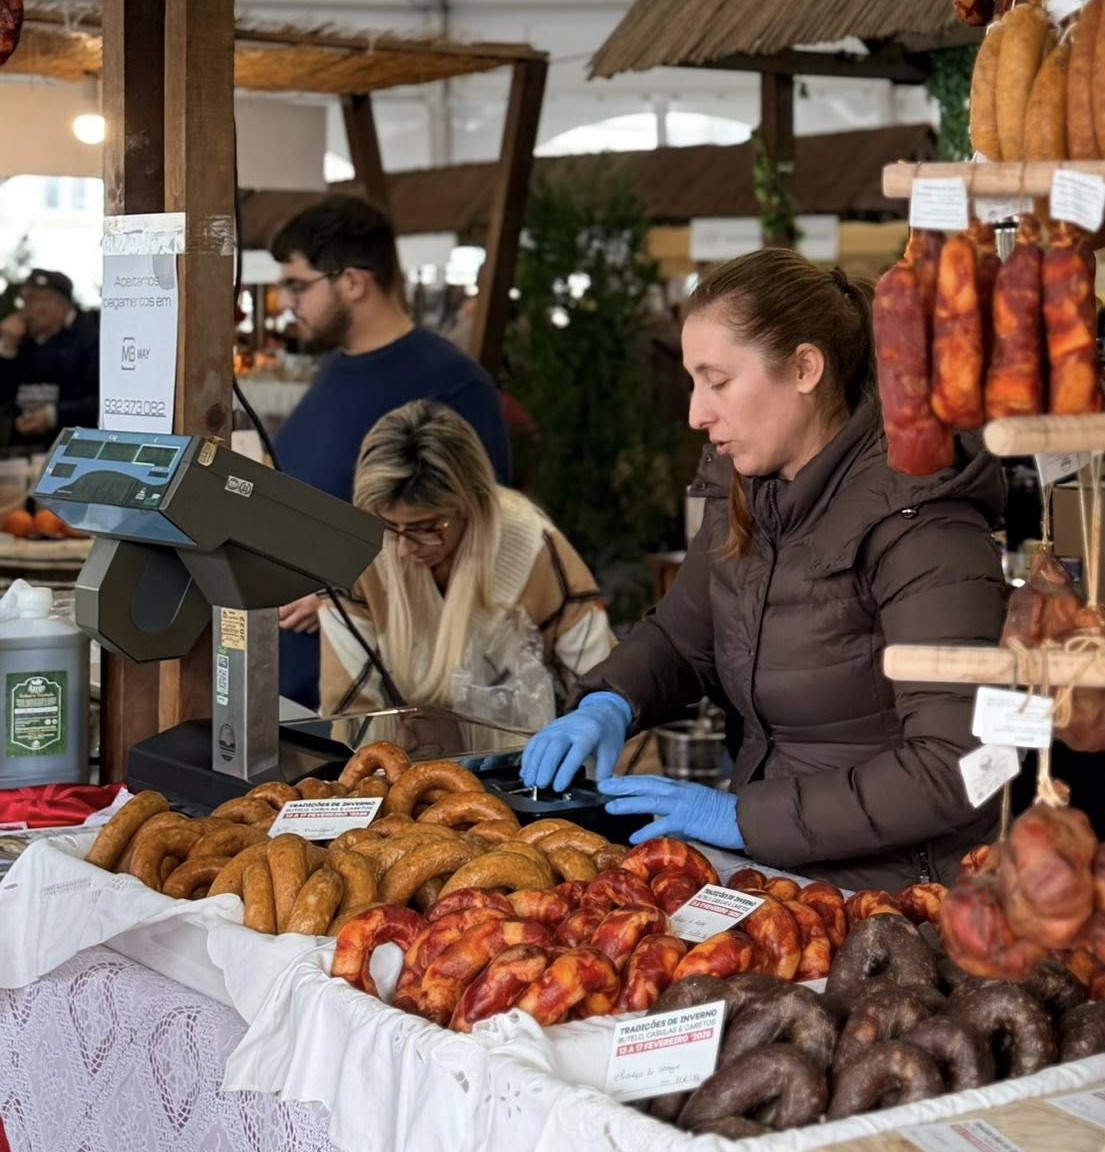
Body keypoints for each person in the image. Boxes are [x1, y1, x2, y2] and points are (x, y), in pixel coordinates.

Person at [520, 247, 1009, 892]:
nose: (697, 413)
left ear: (805, 368)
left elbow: (960, 767)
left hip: (903, 899)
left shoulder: (923, 525)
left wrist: (744, 816)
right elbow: (682, 636)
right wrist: (611, 699)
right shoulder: (750, 494)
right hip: (777, 876)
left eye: (717, 381)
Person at [268, 195, 512, 709]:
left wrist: (354, 592)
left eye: (297, 284)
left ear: (352, 282)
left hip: (384, 708)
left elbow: (484, 539)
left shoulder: (451, 385)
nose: (286, 302)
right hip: (293, 688)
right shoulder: (334, 370)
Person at [319, 400, 613, 726]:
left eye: (426, 528)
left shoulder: (535, 551)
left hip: (520, 761)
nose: (403, 549)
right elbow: (347, 712)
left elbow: (603, 690)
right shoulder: (360, 551)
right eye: (389, 527)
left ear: (475, 504)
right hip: (396, 760)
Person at [0, 269, 100, 450]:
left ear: (60, 304)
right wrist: (7, 349)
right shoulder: (21, 337)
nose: (25, 310)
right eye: (24, 301)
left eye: (34, 300)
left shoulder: (91, 336)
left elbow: (100, 401)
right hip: (23, 449)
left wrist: (54, 415)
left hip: (73, 447)